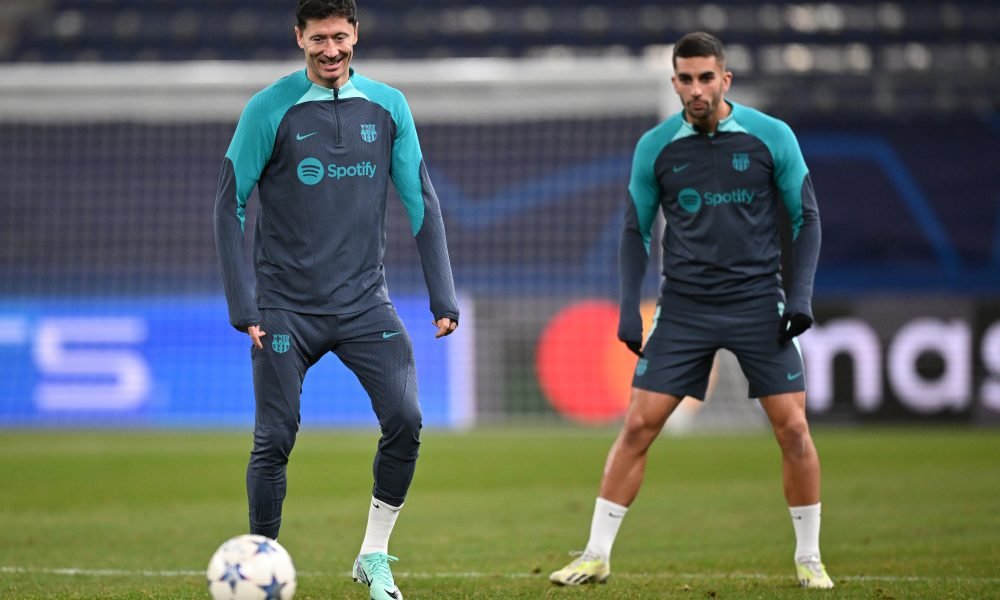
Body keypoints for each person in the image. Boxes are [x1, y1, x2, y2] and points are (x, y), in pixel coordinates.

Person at [549, 31, 833, 590]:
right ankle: (596, 554)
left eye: (706, 78)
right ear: (674, 82)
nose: (697, 89)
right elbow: (634, 231)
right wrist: (628, 308)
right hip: (684, 309)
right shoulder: (656, 147)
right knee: (638, 425)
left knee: (794, 428)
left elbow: (808, 219)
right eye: (686, 79)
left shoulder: (771, 136)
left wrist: (800, 297)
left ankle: (809, 557)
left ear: (725, 79)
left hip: (758, 304)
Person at [213, 1, 459, 598]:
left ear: (356, 35)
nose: (331, 50)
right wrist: (243, 305)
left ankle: (373, 555)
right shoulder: (268, 108)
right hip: (283, 308)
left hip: (364, 304)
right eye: (319, 38)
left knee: (406, 419)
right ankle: (261, 564)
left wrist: (443, 296)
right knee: (274, 439)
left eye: (340, 37)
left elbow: (421, 201)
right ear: (299, 37)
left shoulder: (389, 106)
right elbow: (228, 204)